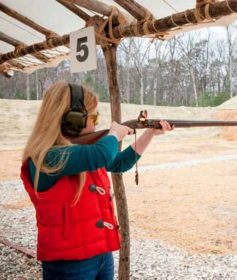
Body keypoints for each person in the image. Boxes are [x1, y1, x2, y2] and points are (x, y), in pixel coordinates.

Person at [20, 81, 173, 279]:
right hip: (69, 266)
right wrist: (115, 134)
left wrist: (149, 133)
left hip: (101, 254)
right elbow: (101, 155)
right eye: (94, 117)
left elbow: (119, 163)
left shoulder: (86, 151)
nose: (96, 123)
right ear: (72, 120)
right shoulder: (46, 157)